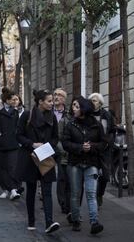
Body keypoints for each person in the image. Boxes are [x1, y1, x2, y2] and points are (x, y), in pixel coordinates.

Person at [16, 89, 60, 233]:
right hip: (30, 157)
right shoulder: (27, 116)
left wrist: (48, 147)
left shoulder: (52, 117)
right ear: (40, 102)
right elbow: (18, 135)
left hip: (46, 156)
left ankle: (49, 222)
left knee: (47, 191)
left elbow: (55, 137)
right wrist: (32, 144)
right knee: (31, 190)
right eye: (49, 101)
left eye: (52, 101)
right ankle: (31, 220)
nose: (52, 103)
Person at [62, 96, 106, 234]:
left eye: (76, 106)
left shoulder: (96, 125)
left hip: (91, 162)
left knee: (91, 194)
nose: (73, 108)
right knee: (75, 193)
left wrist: (91, 146)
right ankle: (76, 220)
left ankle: (94, 222)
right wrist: (80, 147)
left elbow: (104, 143)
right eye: (73, 106)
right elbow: (65, 143)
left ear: (83, 108)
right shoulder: (71, 124)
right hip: (75, 163)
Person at [0, 88, 21, 200]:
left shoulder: (15, 112)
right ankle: (5, 189)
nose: (14, 101)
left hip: (13, 144)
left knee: (12, 167)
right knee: (1, 168)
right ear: (6, 100)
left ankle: (13, 189)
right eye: (12, 100)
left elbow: (18, 127)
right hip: (0, 145)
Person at [88, 93, 114, 207]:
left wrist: (109, 143)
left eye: (95, 101)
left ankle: (99, 194)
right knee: (92, 175)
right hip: (92, 149)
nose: (93, 103)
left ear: (100, 103)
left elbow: (112, 130)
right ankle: (93, 200)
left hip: (105, 149)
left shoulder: (107, 115)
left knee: (105, 176)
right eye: (92, 100)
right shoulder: (87, 115)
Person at [53, 88, 72, 216]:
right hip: (49, 147)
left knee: (63, 176)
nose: (56, 97)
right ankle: (45, 196)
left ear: (64, 99)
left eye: (59, 95)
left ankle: (65, 203)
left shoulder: (68, 114)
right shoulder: (48, 112)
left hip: (62, 149)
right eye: (55, 94)